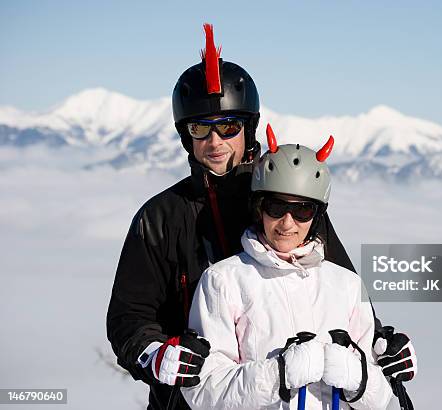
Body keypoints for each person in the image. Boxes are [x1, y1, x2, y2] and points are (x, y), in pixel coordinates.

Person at [106, 24, 356, 410]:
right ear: (185, 136)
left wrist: (378, 347)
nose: (215, 141)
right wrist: (154, 354)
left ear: (248, 127)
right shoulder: (159, 217)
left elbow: (343, 291)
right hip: (190, 400)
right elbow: (129, 317)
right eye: (199, 129)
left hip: (293, 397)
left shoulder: (288, 201)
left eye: (227, 126)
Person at [181, 125, 393, 409]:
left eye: (303, 210)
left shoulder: (347, 285)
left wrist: (359, 379)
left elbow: (380, 401)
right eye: (276, 207)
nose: (287, 223)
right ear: (258, 208)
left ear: (317, 216)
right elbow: (203, 392)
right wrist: (279, 374)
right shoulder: (223, 281)